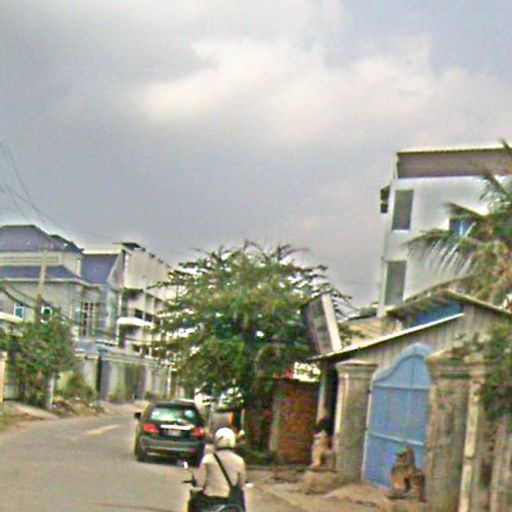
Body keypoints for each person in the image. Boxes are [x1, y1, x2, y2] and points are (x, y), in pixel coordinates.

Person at [190, 427, 247, 512]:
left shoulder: (208, 459)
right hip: (230, 501)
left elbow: (200, 483)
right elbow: (241, 484)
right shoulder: (239, 461)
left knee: (193, 503)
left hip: (210, 500)